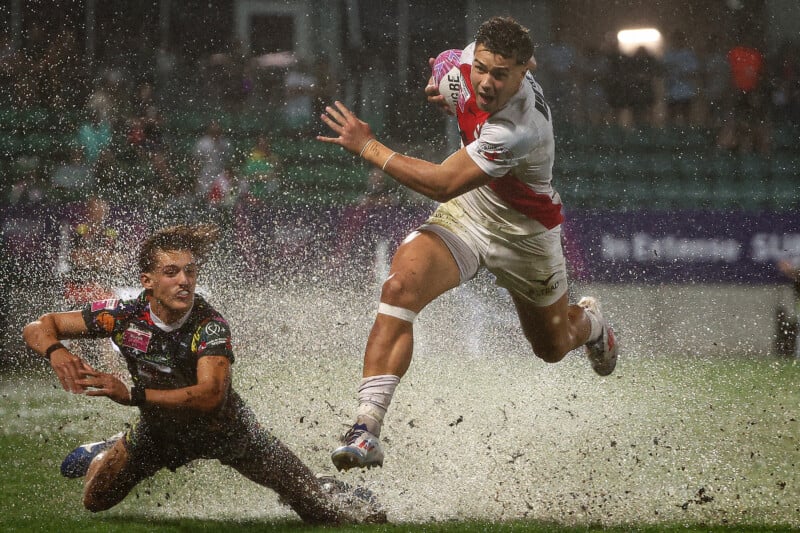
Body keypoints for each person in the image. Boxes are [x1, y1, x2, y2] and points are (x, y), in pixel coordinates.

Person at [317, 16, 619, 472]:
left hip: (526, 236)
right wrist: (441, 84)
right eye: (481, 68)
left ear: (526, 70)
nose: (487, 82)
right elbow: (444, 64)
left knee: (552, 347)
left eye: (501, 75)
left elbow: (441, 184)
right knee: (399, 288)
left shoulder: (521, 127)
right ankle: (365, 429)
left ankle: (592, 323)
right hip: (473, 210)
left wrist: (369, 146)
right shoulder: (468, 61)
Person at [22, 223, 385, 524]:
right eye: (172, 272)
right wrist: (57, 353)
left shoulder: (209, 325)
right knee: (95, 501)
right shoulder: (122, 315)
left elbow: (210, 395)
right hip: (157, 431)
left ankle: (320, 486)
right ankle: (105, 450)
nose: (184, 281)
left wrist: (132, 396)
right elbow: (39, 326)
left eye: (190, 271)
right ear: (147, 280)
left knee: (328, 516)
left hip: (229, 433)